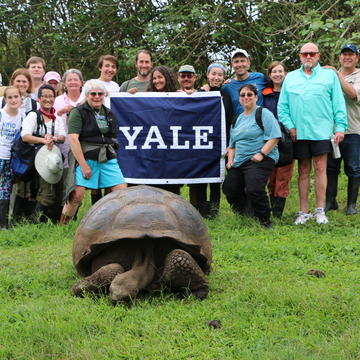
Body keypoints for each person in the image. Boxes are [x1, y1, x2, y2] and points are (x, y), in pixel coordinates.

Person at [278, 42, 347, 225]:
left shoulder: (329, 76)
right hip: (299, 132)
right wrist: (290, 126)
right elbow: (282, 107)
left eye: (312, 53)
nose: (308, 57)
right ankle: (303, 211)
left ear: (318, 56)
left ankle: (320, 210)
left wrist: (340, 127)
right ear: (300, 56)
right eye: (305, 54)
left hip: (322, 130)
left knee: (320, 168)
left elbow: (338, 104)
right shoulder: (291, 77)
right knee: (303, 170)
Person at [60, 80, 127, 224]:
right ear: (86, 95)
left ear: (104, 95)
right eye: (93, 94)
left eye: (100, 94)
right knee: (77, 195)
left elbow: (112, 136)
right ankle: (63, 225)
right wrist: (83, 165)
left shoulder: (109, 113)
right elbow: (73, 139)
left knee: (121, 192)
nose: (97, 96)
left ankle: (107, 224)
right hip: (85, 156)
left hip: (107, 156)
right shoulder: (77, 112)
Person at [222, 84, 281, 228]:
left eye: (249, 94)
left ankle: (265, 220)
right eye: (242, 95)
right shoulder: (237, 119)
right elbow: (232, 144)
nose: (246, 97)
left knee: (254, 188)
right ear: (239, 99)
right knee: (229, 189)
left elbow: (275, 137)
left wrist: (261, 154)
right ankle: (246, 215)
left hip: (260, 158)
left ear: (256, 97)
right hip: (239, 160)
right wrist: (230, 160)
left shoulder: (263, 113)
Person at [21, 84, 66, 223]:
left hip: (53, 158)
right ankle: (36, 223)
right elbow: (25, 136)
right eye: (45, 96)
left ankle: (53, 221)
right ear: (39, 99)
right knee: (44, 191)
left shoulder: (56, 118)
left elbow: (62, 137)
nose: (48, 99)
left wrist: (53, 138)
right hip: (37, 158)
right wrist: (43, 140)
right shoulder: (34, 115)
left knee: (58, 190)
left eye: (51, 96)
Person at [193, 63, 233, 218]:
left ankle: (214, 211)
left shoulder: (226, 96)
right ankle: (202, 210)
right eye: (213, 74)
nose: (216, 77)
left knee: (217, 178)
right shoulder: (200, 93)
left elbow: (229, 120)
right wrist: (201, 92)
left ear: (223, 78)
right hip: (201, 141)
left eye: (220, 75)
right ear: (207, 75)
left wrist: (229, 143)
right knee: (203, 177)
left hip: (219, 142)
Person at [325, 44, 360, 215]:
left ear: (356, 58)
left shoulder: (358, 75)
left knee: (353, 167)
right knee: (331, 167)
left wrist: (337, 75)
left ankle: (351, 205)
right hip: (331, 130)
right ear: (339, 58)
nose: (347, 57)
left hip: (353, 129)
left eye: (351, 55)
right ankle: (330, 201)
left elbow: (353, 94)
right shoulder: (330, 76)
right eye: (344, 54)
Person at [262, 61, 294, 218]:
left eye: (280, 71)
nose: (277, 74)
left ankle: (278, 213)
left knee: (284, 175)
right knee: (271, 175)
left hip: (287, 139)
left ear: (285, 73)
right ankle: (269, 208)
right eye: (274, 71)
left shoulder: (292, 92)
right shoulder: (264, 94)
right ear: (269, 74)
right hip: (267, 138)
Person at [146, 66, 181, 195]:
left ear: (167, 78)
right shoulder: (146, 97)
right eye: (154, 78)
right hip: (153, 150)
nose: (156, 81)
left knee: (172, 187)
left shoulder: (178, 95)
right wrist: (131, 95)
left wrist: (188, 96)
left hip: (172, 150)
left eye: (160, 77)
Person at [0, 86, 23, 228]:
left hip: (11, 157)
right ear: (5, 99)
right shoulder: (1, 114)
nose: (13, 100)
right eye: (10, 97)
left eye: (16, 97)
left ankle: (3, 223)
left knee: (5, 188)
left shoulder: (22, 116)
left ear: (21, 98)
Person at [222, 49, 267, 120]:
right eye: (236, 62)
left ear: (248, 63)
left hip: (261, 125)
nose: (239, 65)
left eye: (242, 61)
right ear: (232, 65)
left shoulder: (260, 77)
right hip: (239, 128)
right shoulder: (227, 87)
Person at [53, 69, 83, 168]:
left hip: (84, 145)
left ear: (81, 82)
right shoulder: (57, 101)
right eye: (69, 80)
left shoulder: (88, 99)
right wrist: (61, 112)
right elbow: (51, 120)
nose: (73, 82)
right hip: (64, 145)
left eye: (76, 79)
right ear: (64, 84)